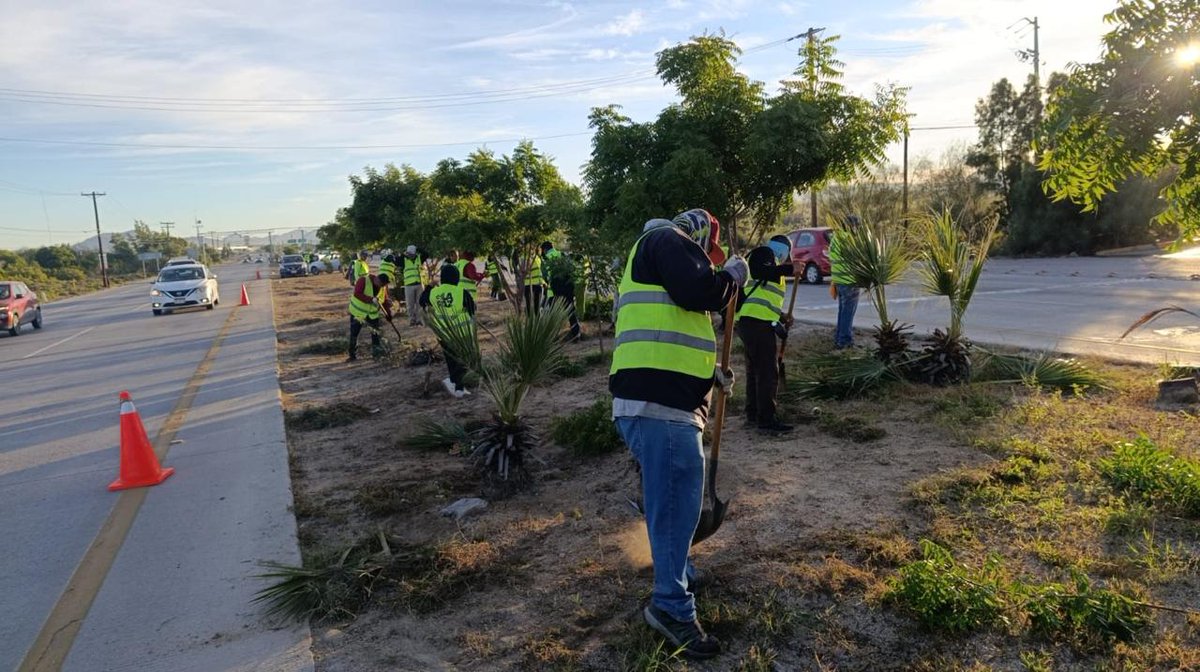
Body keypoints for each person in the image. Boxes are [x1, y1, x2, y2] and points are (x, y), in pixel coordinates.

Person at [610, 208, 748, 660]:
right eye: (707, 255)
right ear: (699, 236)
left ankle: (677, 569)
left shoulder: (651, 254)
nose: (707, 261)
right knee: (675, 503)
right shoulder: (667, 239)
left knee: (672, 498)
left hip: (661, 399)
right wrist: (729, 276)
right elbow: (698, 292)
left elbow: (666, 330)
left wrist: (708, 375)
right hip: (661, 404)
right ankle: (670, 604)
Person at [735, 235, 796, 434]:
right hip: (755, 324)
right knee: (768, 373)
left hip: (752, 323)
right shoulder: (763, 254)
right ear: (785, 249)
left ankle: (754, 414)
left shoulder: (771, 263)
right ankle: (766, 421)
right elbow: (759, 270)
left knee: (756, 372)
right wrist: (790, 269)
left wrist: (781, 316)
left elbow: (763, 298)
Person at [421, 263, 476, 398]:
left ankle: (455, 382)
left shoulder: (434, 293)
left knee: (451, 360)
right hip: (462, 334)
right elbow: (472, 309)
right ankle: (459, 388)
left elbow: (422, 300)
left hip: (445, 335)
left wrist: (429, 286)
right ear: (456, 278)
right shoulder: (461, 292)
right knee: (462, 361)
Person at [829, 214, 862, 348]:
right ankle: (844, 341)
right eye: (857, 226)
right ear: (852, 226)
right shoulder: (850, 239)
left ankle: (839, 338)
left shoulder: (836, 237)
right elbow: (858, 259)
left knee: (843, 311)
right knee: (848, 312)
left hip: (838, 279)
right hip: (849, 280)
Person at [347, 271, 393, 362]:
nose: (381, 286)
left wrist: (388, 314)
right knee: (354, 333)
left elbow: (384, 302)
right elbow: (357, 293)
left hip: (372, 315)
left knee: (375, 334)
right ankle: (352, 355)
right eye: (381, 284)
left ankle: (376, 354)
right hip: (358, 313)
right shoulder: (363, 280)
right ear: (377, 279)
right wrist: (371, 299)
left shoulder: (382, 288)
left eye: (383, 285)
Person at [542, 241, 581, 340]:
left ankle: (552, 337)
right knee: (571, 312)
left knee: (552, 314)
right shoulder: (562, 254)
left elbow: (545, 276)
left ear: (545, 249)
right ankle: (576, 334)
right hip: (567, 288)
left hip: (554, 291)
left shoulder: (546, 259)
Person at [400, 245, 426, 326]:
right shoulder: (403, 260)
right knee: (410, 304)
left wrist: (418, 248)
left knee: (419, 304)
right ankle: (412, 320)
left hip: (419, 284)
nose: (410, 255)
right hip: (408, 285)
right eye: (409, 254)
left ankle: (419, 320)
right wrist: (403, 254)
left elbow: (426, 254)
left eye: (412, 254)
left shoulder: (419, 258)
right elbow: (397, 260)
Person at [521, 249, 543, 316]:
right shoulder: (525, 258)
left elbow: (540, 271)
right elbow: (523, 270)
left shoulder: (537, 258)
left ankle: (536, 321)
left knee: (536, 305)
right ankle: (531, 321)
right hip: (529, 284)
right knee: (530, 305)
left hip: (537, 284)